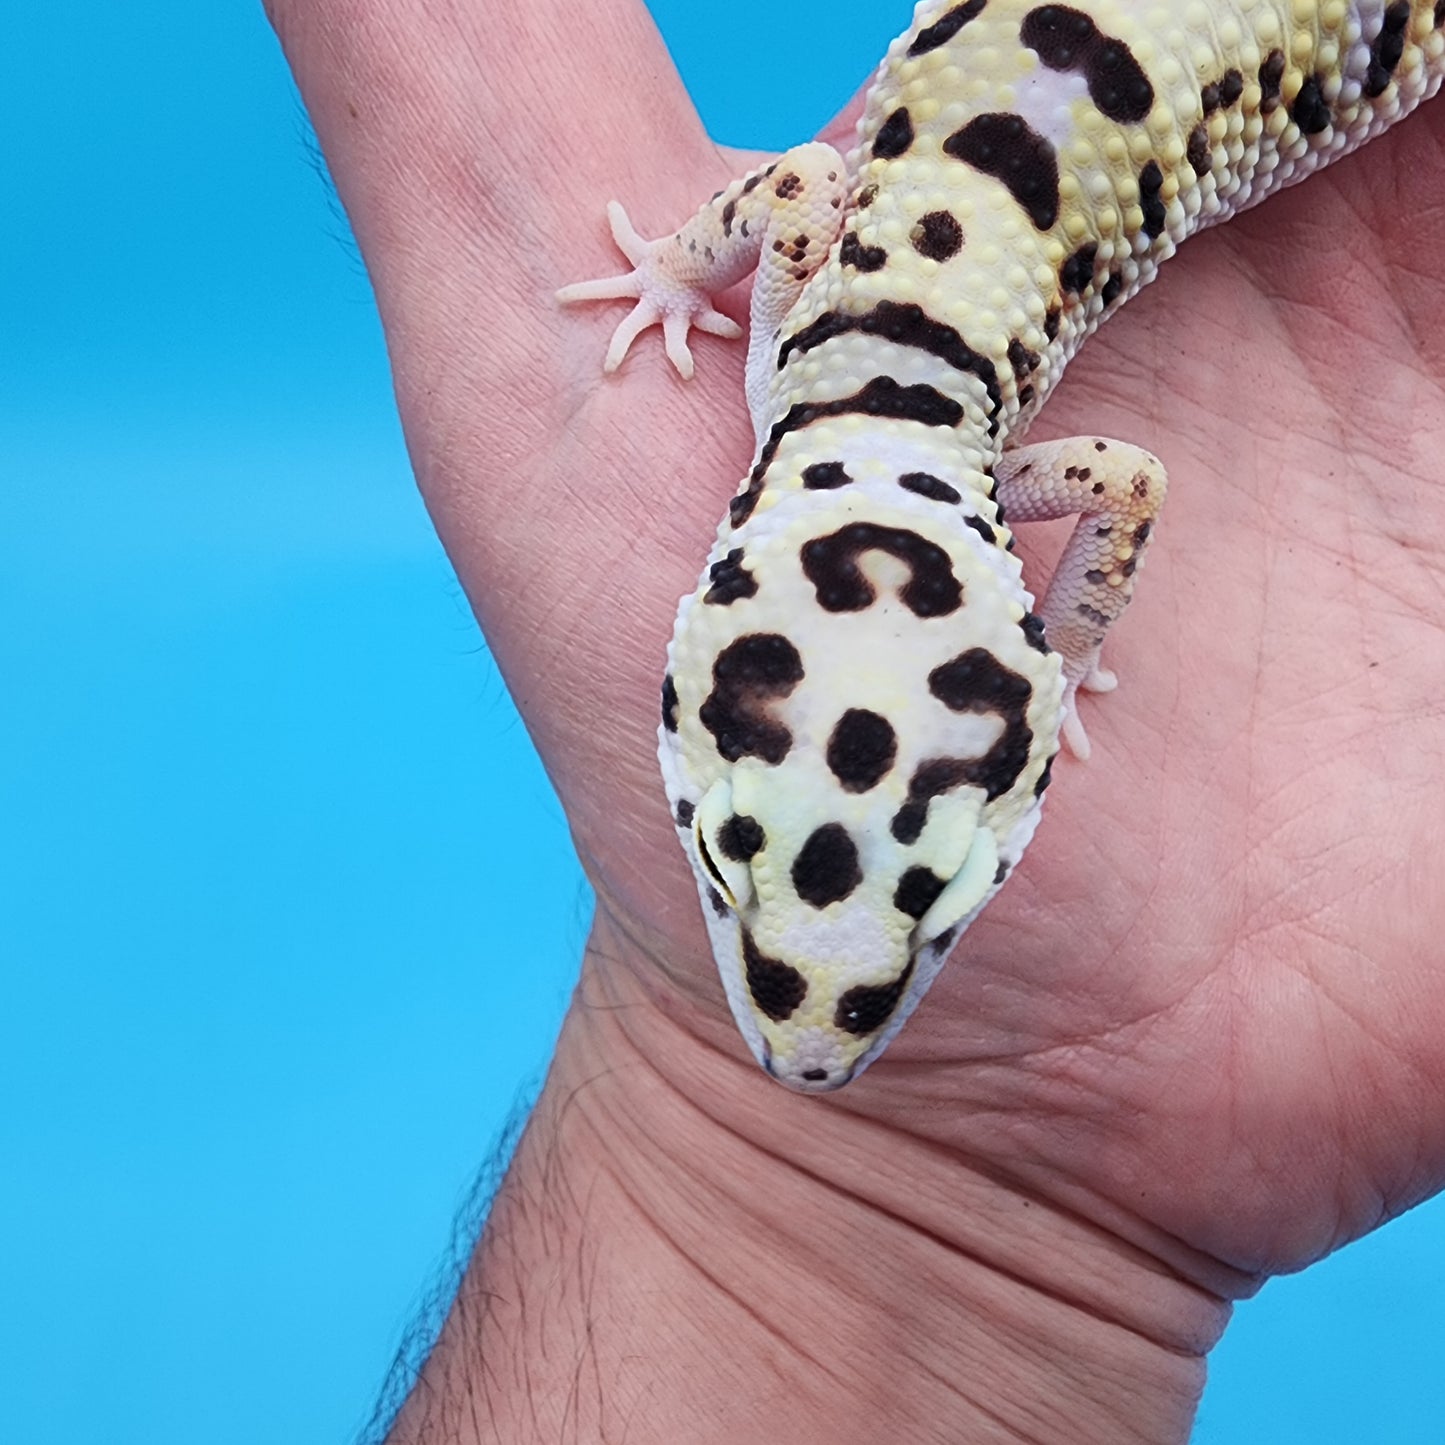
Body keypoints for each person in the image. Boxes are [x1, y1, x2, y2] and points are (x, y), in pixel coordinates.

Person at [266, 1, 1445, 1438]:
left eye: (731, 858)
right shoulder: (804, 340)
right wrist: (694, 268)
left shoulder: (973, 452)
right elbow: (799, 195)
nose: (808, 1048)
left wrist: (1062, 648)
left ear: (712, 630)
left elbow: (1122, 481)